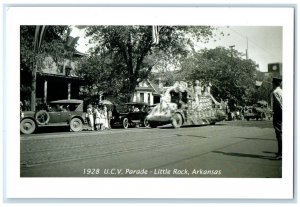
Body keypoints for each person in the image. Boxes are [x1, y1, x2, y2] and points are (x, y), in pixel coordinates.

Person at [272, 77, 282, 160]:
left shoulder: (275, 92)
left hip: (279, 113)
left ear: (274, 84)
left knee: (278, 132)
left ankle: (280, 153)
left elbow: (279, 103)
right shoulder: (282, 91)